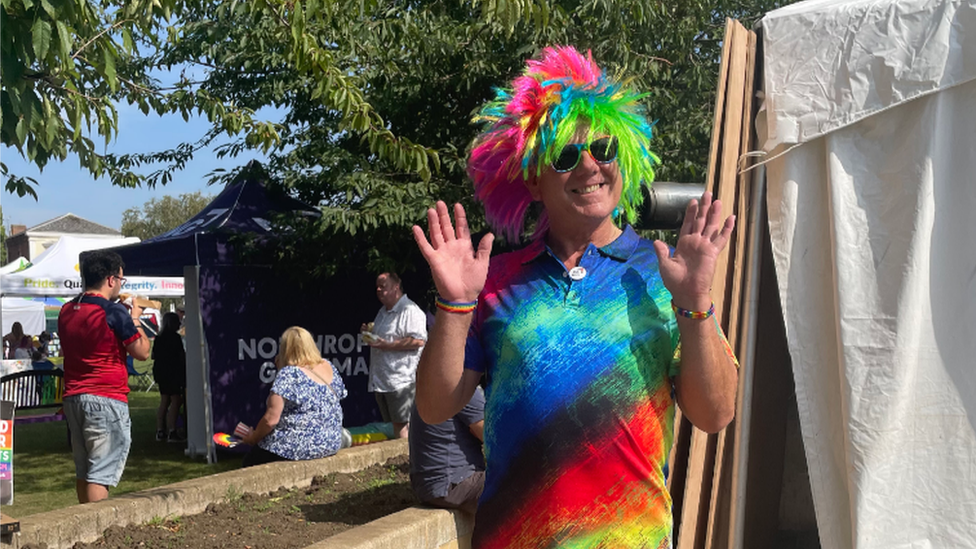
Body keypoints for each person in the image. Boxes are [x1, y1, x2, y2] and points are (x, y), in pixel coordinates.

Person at [411, 46, 739, 548]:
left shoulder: (663, 275)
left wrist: (695, 303)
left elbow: (714, 414)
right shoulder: (496, 281)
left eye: (604, 149)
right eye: (565, 156)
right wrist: (455, 306)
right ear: (534, 182)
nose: (589, 167)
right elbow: (436, 407)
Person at [59, 250, 151, 503]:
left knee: (84, 469)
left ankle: (83, 527)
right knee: (100, 472)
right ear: (111, 279)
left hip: (74, 397)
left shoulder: (67, 310)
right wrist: (135, 319)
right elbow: (142, 351)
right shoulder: (113, 312)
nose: (121, 284)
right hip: (106, 397)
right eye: (122, 279)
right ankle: (96, 534)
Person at [241, 326, 347, 467]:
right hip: (331, 442)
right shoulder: (328, 366)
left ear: (285, 349)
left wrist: (253, 437)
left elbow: (271, 420)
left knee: (250, 462)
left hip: (299, 446)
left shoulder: (289, 374)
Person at [361, 272, 427, 440]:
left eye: (383, 286)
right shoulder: (383, 311)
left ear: (396, 287)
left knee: (403, 427)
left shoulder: (410, 310)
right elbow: (383, 338)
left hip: (401, 380)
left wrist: (387, 345)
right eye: (377, 286)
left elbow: (418, 341)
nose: (378, 289)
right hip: (383, 380)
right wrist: (369, 333)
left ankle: (406, 464)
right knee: (395, 426)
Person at [408, 386, 486, 515]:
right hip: (454, 482)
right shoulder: (459, 386)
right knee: (522, 487)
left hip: (431, 485)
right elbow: (491, 437)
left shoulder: (434, 383)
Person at [152, 312, 186, 442]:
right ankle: (172, 431)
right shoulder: (175, 338)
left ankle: (160, 430)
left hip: (161, 372)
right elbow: (181, 356)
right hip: (173, 372)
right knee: (176, 400)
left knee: (164, 400)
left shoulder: (158, 338)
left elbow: (153, 355)